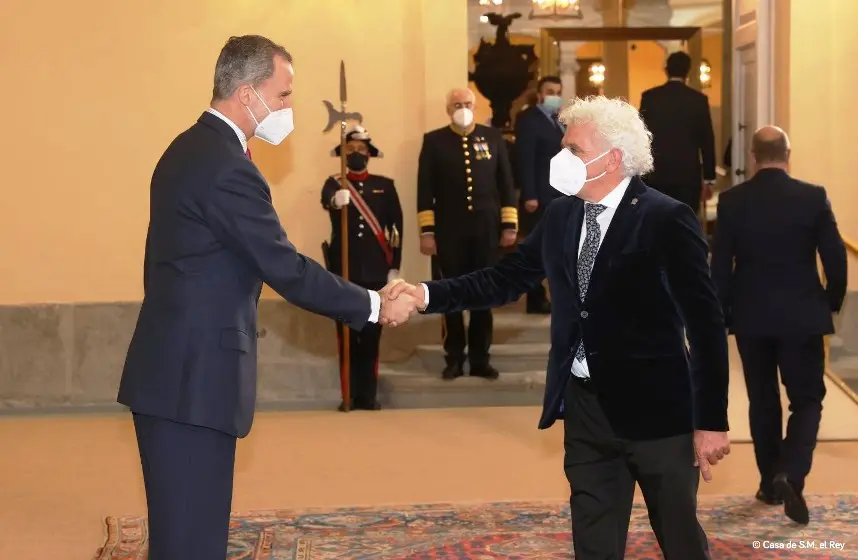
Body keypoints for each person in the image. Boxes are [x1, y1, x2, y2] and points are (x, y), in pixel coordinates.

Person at [389, 96, 731, 559]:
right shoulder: (561, 214)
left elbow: (706, 323)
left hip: (659, 413)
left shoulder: (666, 218)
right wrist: (426, 295)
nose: (561, 158)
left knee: (680, 539)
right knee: (593, 541)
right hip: (586, 406)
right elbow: (504, 278)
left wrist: (710, 420)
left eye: (574, 149)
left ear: (612, 158)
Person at [117, 35, 417, 560]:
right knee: (192, 539)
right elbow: (286, 267)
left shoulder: (191, 148)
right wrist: (373, 303)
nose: (288, 109)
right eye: (283, 95)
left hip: (176, 371)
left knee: (186, 533)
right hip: (193, 380)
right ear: (247, 92)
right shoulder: (225, 166)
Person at [710, 126, 847, 525]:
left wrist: (719, 315)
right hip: (802, 316)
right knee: (806, 399)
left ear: (753, 157)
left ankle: (770, 483)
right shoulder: (812, 197)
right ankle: (792, 471)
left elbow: (719, 267)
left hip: (751, 316)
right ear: (789, 154)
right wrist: (829, 304)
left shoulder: (732, 201)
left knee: (762, 399)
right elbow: (835, 260)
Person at [416, 87, 518, 380]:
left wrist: (509, 225)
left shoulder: (493, 138)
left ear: (476, 107)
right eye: (457, 104)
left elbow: (506, 185)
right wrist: (427, 232)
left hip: (486, 231)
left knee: (484, 296)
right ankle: (454, 358)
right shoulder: (434, 141)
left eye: (467, 103)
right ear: (448, 110)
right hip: (449, 233)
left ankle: (480, 358)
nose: (462, 107)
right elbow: (425, 190)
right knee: (451, 296)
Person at [321, 125, 403, 412]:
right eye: (351, 149)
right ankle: (349, 395)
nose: (356, 153)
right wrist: (335, 200)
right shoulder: (334, 183)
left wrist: (394, 268)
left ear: (369, 153)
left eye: (361, 149)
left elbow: (397, 229)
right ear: (343, 154)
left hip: (375, 273)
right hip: (343, 273)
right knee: (346, 338)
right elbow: (326, 199)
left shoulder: (385, 185)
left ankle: (368, 395)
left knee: (370, 336)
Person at [640, 51, 716, 215]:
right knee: (684, 222)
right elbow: (707, 140)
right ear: (688, 71)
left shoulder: (650, 97)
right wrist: (709, 178)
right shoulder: (698, 100)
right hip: (687, 176)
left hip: (656, 173)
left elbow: (641, 136)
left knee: (656, 222)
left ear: (666, 70)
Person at [515, 76, 565, 314]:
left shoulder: (559, 120)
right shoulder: (529, 119)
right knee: (537, 249)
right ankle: (535, 298)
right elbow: (525, 159)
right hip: (539, 195)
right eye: (549, 91)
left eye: (557, 91)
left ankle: (555, 296)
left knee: (556, 249)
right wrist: (529, 194)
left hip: (558, 194)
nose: (554, 95)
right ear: (540, 93)